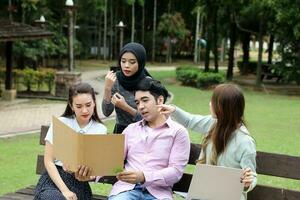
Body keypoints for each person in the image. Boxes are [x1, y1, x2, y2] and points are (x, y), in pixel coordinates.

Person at [158, 83, 257, 200]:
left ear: (223, 108)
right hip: (204, 195)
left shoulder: (245, 141)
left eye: (213, 101)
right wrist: (173, 110)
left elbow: (252, 175)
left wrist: (248, 182)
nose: (210, 104)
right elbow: (190, 121)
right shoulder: (213, 123)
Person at [108, 78, 190, 200]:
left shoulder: (178, 132)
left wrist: (144, 177)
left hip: (158, 194)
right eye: (137, 102)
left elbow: (176, 172)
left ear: (160, 100)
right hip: (126, 190)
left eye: (145, 100)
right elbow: (113, 161)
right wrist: (93, 173)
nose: (140, 107)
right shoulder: (130, 130)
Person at [34, 82, 107, 200]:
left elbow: (96, 169)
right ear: (71, 106)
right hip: (53, 181)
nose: (84, 110)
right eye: (79, 106)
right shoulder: (61, 123)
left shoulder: (100, 129)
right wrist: (64, 190)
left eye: (88, 105)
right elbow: (48, 161)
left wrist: (87, 175)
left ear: (94, 103)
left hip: (79, 184)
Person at [102, 42, 151, 134]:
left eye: (132, 62)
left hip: (143, 132)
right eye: (123, 61)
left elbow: (150, 118)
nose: (126, 65)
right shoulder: (115, 79)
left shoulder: (148, 83)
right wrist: (107, 88)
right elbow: (106, 112)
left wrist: (125, 107)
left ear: (140, 63)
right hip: (121, 132)